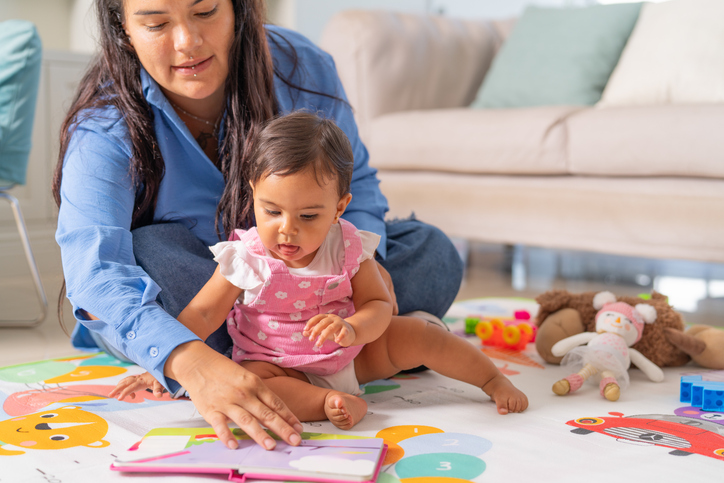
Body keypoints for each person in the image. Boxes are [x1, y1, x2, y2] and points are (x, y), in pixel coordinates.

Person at [52, 0, 464, 451]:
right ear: (124, 28)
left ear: (239, 9)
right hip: (199, 297)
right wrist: (186, 358)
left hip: (318, 288)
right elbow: (95, 271)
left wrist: (363, 272)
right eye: (156, 23)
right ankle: (238, 361)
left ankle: (302, 354)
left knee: (432, 251)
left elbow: (357, 184)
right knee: (150, 250)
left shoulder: (300, 67)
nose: (187, 42)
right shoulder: (105, 123)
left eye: (206, 12)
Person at [111, 112, 528, 428]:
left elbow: (379, 303)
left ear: (339, 208)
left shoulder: (347, 244)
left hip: (352, 355)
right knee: (255, 385)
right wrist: (158, 363)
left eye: (309, 215)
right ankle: (324, 406)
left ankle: (490, 380)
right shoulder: (247, 256)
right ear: (253, 192)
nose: (286, 229)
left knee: (420, 335)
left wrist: (356, 330)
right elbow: (202, 314)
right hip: (277, 364)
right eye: (271, 211)